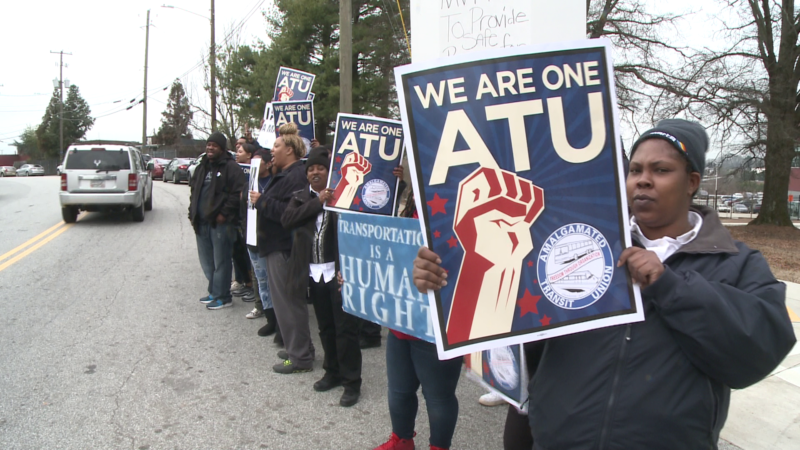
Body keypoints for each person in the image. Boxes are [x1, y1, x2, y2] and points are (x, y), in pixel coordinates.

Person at [413, 119, 797, 449]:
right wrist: (458, 272)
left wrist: (670, 285)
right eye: (635, 169)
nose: (643, 180)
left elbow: (756, 354)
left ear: (692, 181)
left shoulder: (736, 262)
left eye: (661, 170)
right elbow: (512, 327)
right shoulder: (577, 243)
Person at [373, 190, 463, 450]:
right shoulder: (411, 200)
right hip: (401, 320)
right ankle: (401, 441)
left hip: (437, 324)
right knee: (399, 390)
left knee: (438, 398)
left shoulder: (453, 199)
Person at [282, 147, 363, 407]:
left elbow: (375, 204)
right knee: (325, 327)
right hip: (314, 273)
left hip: (339, 273)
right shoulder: (299, 198)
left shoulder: (344, 196)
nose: (315, 172)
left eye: (320, 168)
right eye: (311, 169)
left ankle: (352, 382)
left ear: (329, 173)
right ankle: (333, 372)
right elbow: (288, 220)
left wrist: (398, 180)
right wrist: (317, 202)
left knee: (345, 329)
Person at [251, 122, 315, 374]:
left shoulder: (296, 176)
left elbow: (292, 214)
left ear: (289, 150)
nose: (271, 150)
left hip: (284, 248)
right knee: (289, 303)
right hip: (278, 246)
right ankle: (300, 348)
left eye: (276, 146)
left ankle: (297, 358)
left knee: (288, 304)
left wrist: (263, 201)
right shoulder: (288, 175)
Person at [188, 131, 246, 310]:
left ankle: (224, 297)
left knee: (221, 261)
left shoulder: (231, 168)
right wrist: (192, 213)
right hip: (202, 223)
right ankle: (214, 291)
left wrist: (224, 214)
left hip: (221, 224)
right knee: (207, 262)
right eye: (208, 144)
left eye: (214, 145)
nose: (210, 147)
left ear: (222, 148)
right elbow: (194, 192)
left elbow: (237, 194)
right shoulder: (202, 167)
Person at [241, 147, 278, 338]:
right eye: (252, 160)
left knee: (273, 282)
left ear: (269, 162)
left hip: (268, 239)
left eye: (258, 160)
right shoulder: (248, 182)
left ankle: (279, 322)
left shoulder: (275, 182)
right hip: (252, 238)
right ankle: (270, 319)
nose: (253, 164)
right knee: (261, 281)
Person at [231, 140, 256, 302]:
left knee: (250, 255)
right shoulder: (234, 170)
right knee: (238, 252)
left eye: (241, 151)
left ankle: (252, 285)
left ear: (249, 155)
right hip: (237, 217)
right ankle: (244, 281)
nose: (237, 153)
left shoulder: (255, 171)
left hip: (251, 218)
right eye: (237, 150)